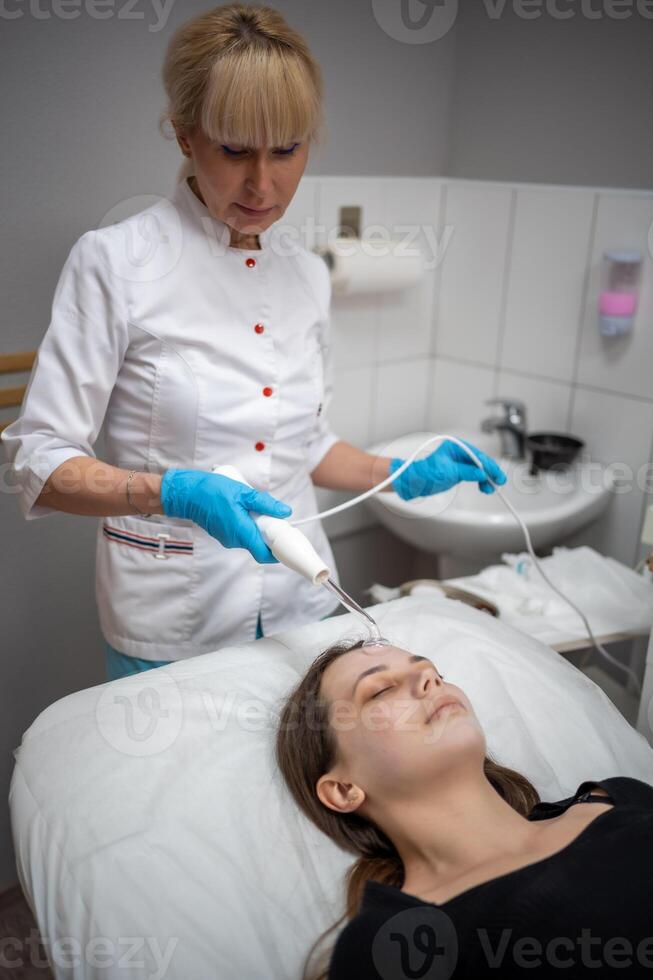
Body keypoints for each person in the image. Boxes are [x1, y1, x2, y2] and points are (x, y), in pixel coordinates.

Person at [1, 4, 505, 683]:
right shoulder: (116, 262)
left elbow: (306, 447)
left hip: (304, 605)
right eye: (235, 150)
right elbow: (40, 461)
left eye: (287, 150)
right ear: (185, 135)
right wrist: (171, 491)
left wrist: (399, 471)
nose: (263, 184)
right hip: (171, 620)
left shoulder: (304, 275)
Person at [275, 639, 653, 979]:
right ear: (343, 790)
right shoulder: (396, 942)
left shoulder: (616, 797)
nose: (430, 681)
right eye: (381, 691)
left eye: (434, 673)